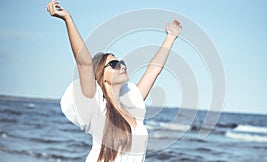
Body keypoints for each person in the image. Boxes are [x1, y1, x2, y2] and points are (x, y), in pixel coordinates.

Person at [46, 0, 182, 162]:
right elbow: (84, 64)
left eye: (121, 62)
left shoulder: (132, 104)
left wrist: (170, 37)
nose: (121, 65)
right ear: (101, 76)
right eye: (113, 64)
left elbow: (154, 69)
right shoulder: (97, 108)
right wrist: (68, 19)